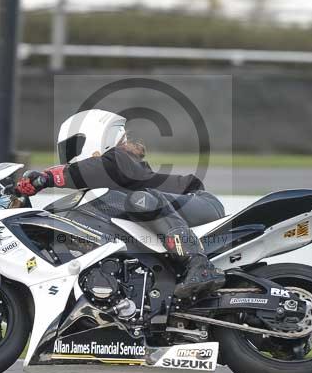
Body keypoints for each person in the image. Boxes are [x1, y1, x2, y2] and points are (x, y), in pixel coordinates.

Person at [15, 109, 226, 298]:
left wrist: (47, 177)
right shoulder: (101, 187)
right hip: (172, 214)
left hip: (198, 202)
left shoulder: (120, 159)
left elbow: (98, 169)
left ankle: (199, 265)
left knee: (140, 199)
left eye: (72, 147)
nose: (68, 156)